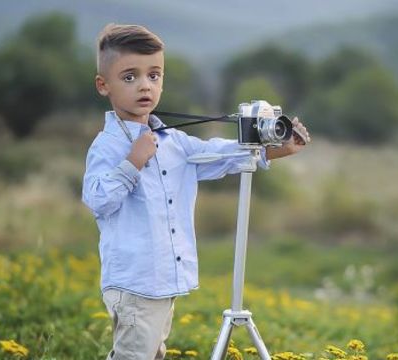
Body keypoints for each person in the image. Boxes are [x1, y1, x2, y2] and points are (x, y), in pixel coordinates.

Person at [81, 23, 310, 359]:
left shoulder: (174, 142)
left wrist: (277, 148)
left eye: (154, 75)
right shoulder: (108, 146)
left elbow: (219, 154)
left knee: (153, 354)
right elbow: (98, 200)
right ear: (104, 85)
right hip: (134, 281)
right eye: (130, 77)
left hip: (162, 281)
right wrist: (132, 162)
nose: (145, 85)